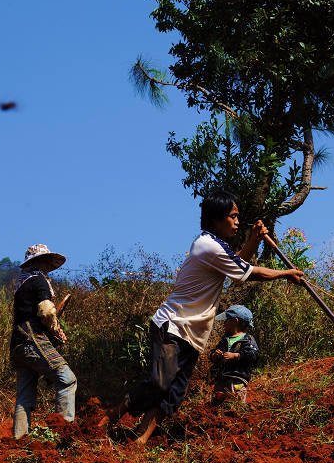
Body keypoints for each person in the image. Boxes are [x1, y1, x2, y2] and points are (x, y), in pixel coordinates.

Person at [103, 190, 302, 444]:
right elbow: (247, 272)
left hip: (192, 335)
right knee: (161, 382)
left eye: (238, 216)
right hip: (173, 325)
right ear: (216, 219)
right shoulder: (208, 247)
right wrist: (285, 274)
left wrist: (253, 239)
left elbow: (238, 264)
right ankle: (109, 418)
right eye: (233, 216)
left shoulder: (217, 248)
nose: (237, 221)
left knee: (174, 392)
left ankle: (139, 441)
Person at [10, 244, 77, 439]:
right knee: (67, 379)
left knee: (24, 396)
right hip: (32, 339)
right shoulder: (39, 281)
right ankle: (64, 433)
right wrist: (55, 330)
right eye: (47, 259)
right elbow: (47, 311)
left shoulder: (23, 284)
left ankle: (19, 439)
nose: (49, 264)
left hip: (17, 345)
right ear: (40, 261)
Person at [209, 304, 259, 405]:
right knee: (216, 403)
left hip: (238, 380)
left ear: (235, 321)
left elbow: (253, 355)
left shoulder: (248, 339)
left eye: (226, 320)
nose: (224, 323)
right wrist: (215, 355)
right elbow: (214, 353)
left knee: (236, 404)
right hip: (221, 379)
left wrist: (236, 355)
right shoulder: (224, 340)